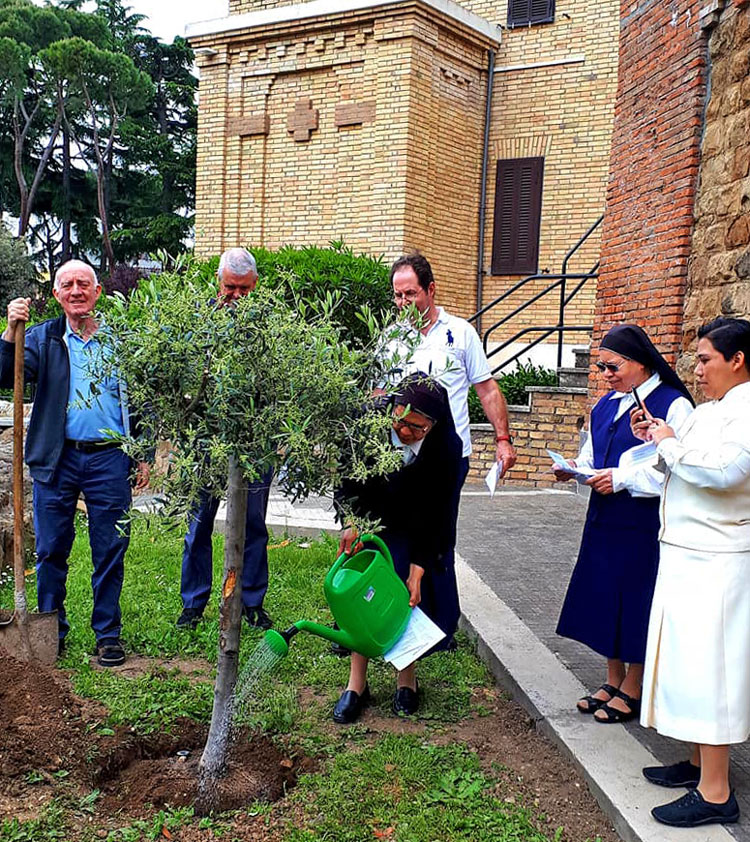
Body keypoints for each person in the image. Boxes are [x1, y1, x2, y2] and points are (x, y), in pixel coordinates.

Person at [0, 260, 149, 667]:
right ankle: (52, 631)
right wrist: (10, 331)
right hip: (56, 458)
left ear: (98, 292)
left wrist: (142, 452)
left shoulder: (122, 340)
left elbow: (143, 399)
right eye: (68, 285)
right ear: (57, 295)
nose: (77, 290)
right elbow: (4, 373)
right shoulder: (42, 338)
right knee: (50, 550)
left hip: (110, 458)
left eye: (85, 283)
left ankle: (108, 634)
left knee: (110, 548)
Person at [634, 318, 750, 828]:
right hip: (687, 552)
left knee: (711, 670)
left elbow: (724, 472)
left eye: (705, 359)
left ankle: (717, 791)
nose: (696, 369)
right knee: (686, 663)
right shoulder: (712, 412)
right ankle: (701, 763)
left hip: (718, 559)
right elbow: (680, 464)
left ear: (738, 359)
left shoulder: (748, 411)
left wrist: (670, 445)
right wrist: (659, 438)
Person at [554, 325, 693, 723]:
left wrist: (622, 478)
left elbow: (673, 470)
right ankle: (611, 679)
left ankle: (634, 685)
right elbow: (593, 456)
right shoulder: (605, 406)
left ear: (641, 363)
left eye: (612, 365)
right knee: (603, 596)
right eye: (600, 366)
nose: (605, 373)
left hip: (642, 519)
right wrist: (574, 470)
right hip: (603, 515)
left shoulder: (674, 405)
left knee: (635, 600)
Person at [379, 253, 517, 614]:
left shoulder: (461, 333)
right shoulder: (390, 338)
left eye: (410, 294)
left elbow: (486, 389)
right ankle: (385, 608)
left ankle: (441, 620)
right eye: (397, 296)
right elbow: (378, 394)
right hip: (400, 452)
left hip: (445, 457)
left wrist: (503, 440)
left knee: (439, 531)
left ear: (430, 289)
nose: (403, 303)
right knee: (392, 530)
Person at [332, 374, 465, 723]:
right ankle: (356, 684)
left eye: (417, 428)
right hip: (370, 519)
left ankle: (407, 678)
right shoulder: (367, 425)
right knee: (362, 594)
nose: (406, 432)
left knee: (409, 595)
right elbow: (346, 479)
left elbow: (442, 511)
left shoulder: (447, 448)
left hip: (418, 526)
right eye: (401, 423)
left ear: (433, 425)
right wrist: (350, 520)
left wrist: (421, 563)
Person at [177, 247, 273, 632]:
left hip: (254, 443)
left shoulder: (269, 329)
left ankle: (251, 602)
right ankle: (193, 603)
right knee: (199, 523)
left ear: (256, 285)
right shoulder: (198, 324)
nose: (236, 296)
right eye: (230, 287)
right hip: (206, 443)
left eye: (244, 289)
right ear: (219, 282)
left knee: (253, 524)